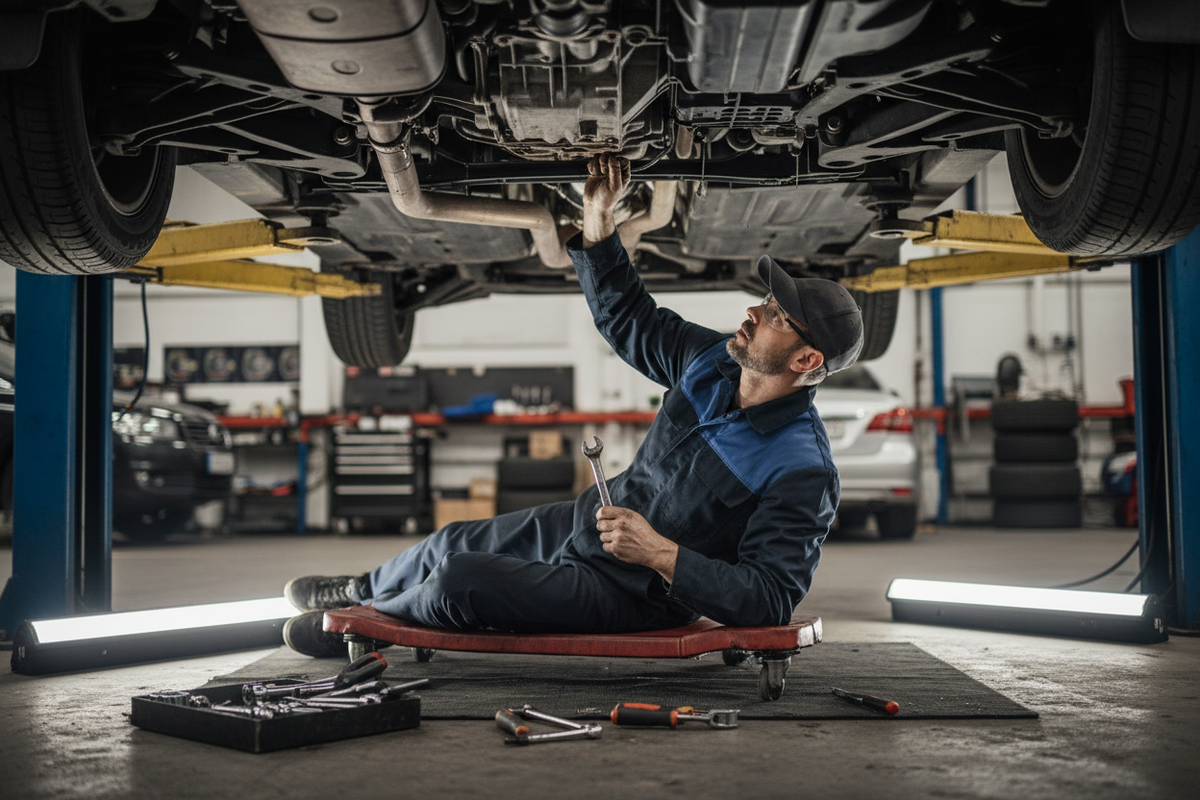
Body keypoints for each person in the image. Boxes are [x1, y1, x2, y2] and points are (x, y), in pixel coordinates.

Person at [281, 154, 864, 657]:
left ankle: (368, 627)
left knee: (461, 580)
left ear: (805, 361)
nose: (752, 315)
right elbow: (630, 319)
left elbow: (769, 597)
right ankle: (359, 591)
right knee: (450, 541)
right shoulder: (713, 361)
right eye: (763, 302)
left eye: (775, 318)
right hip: (591, 521)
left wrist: (662, 554)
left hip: (633, 593)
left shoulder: (801, 468)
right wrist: (599, 219)